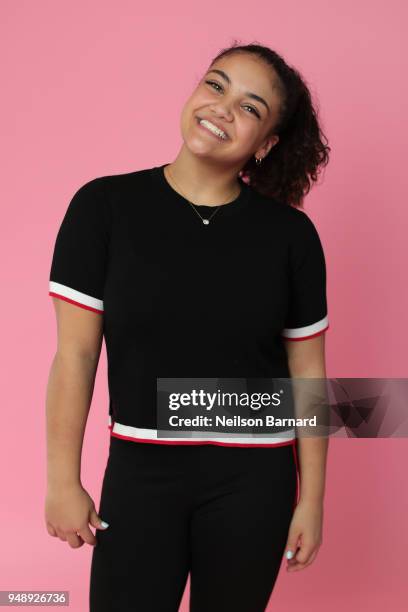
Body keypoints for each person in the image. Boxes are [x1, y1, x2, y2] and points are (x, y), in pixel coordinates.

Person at [45, 41, 331, 611]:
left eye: (251, 108)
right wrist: (62, 480)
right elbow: (75, 356)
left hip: (256, 482)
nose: (223, 108)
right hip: (140, 473)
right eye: (216, 85)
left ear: (267, 143)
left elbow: (307, 373)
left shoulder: (291, 237)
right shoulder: (104, 208)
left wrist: (313, 498)